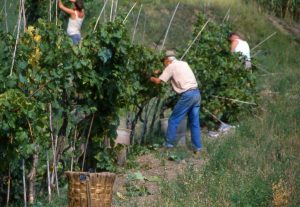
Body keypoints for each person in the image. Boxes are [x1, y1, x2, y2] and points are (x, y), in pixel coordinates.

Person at [150, 50, 202, 155]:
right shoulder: (184, 63)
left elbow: (158, 81)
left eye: (163, 62)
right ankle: (198, 148)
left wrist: (148, 77)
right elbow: (172, 72)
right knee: (194, 122)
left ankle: (168, 147)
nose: (163, 64)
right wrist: (160, 71)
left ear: (167, 60)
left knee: (173, 120)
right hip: (197, 94)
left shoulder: (170, 67)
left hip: (187, 95)